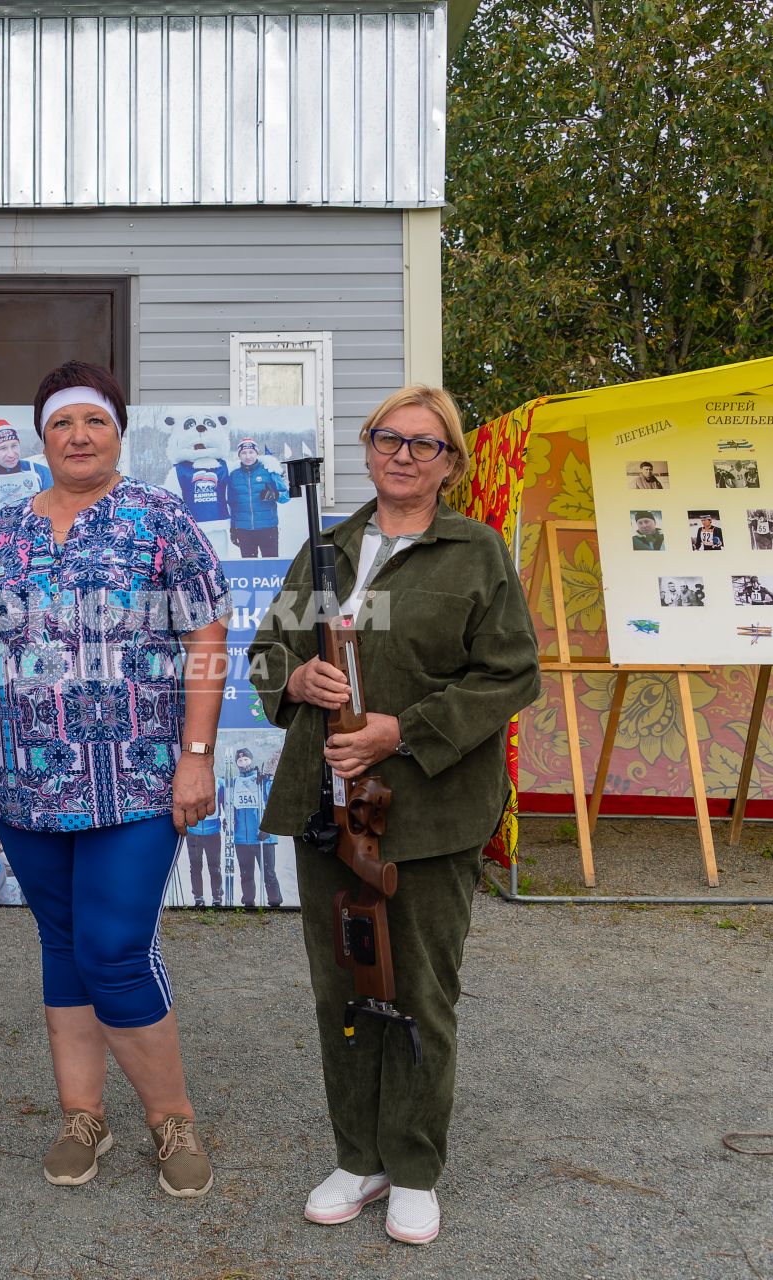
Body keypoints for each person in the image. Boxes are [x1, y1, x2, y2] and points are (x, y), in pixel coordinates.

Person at [248, 384, 539, 1247]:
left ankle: (413, 1167)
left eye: (425, 444)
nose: (403, 456)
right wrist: (295, 680)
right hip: (326, 806)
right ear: (368, 448)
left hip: (430, 812)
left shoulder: (475, 554)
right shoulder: (327, 548)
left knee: (417, 990)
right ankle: (358, 1155)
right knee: (343, 985)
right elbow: (271, 649)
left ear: (451, 462)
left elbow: (509, 675)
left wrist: (399, 731)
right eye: (388, 439)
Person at [0, 359, 231, 1199]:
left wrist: (197, 753)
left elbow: (206, 638)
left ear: (118, 433)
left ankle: (170, 1119)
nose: (78, 437)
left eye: (95, 423)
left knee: (114, 950)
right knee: (64, 947)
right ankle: (83, 1115)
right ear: (43, 438)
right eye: (63, 424)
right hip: (26, 781)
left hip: (138, 782)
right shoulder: (1, 530)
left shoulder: (160, 520)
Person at [229, 747, 281, 908]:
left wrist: (268, 827)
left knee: (269, 873)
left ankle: (275, 902)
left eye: (246, 759)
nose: (243, 763)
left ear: (251, 760)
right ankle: (248, 902)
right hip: (241, 838)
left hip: (262, 837)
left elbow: (274, 805)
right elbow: (230, 807)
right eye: (240, 760)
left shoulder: (262, 780)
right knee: (246, 873)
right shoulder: (234, 782)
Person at [225, 438, 290, 557]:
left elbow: (286, 496)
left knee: (271, 567)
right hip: (244, 530)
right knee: (249, 567)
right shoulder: (234, 475)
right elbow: (232, 504)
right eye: (243, 453)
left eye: (251, 452)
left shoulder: (269, 471)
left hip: (268, 528)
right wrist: (233, 528)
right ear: (239, 455)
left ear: (257, 453)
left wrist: (275, 495)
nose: (248, 456)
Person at [182, 779, 227, 907]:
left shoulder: (219, 782)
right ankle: (198, 897)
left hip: (212, 832)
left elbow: (226, 803)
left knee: (214, 867)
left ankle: (217, 897)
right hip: (193, 832)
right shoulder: (189, 782)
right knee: (195, 867)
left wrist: (227, 820)